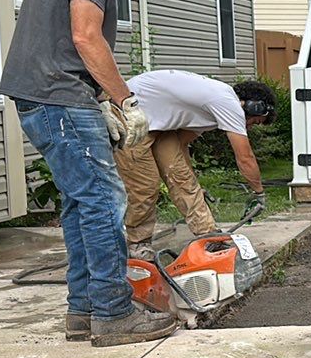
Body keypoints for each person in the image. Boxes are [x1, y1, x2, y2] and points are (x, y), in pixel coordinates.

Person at [1, 0, 178, 347]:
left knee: (83, 205)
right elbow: (85, 35)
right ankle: (114, 314)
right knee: (103, 202)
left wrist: (98, 95)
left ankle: (83, 311)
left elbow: (66, 38)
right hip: (58, 97)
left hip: (47, 94)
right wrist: (124, 101)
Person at [115, 70, 275, 255]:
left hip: (160, 126)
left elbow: (182, 144)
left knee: (184, 180)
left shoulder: (217, 107)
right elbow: (245, 158)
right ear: (253, 106)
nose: (250, 126)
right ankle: (137, 244)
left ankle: (208, 235)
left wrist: (193, 182)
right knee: (145, 187)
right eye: (255, 121)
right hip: (132, 119)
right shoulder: (228, 103)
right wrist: (258, 193)